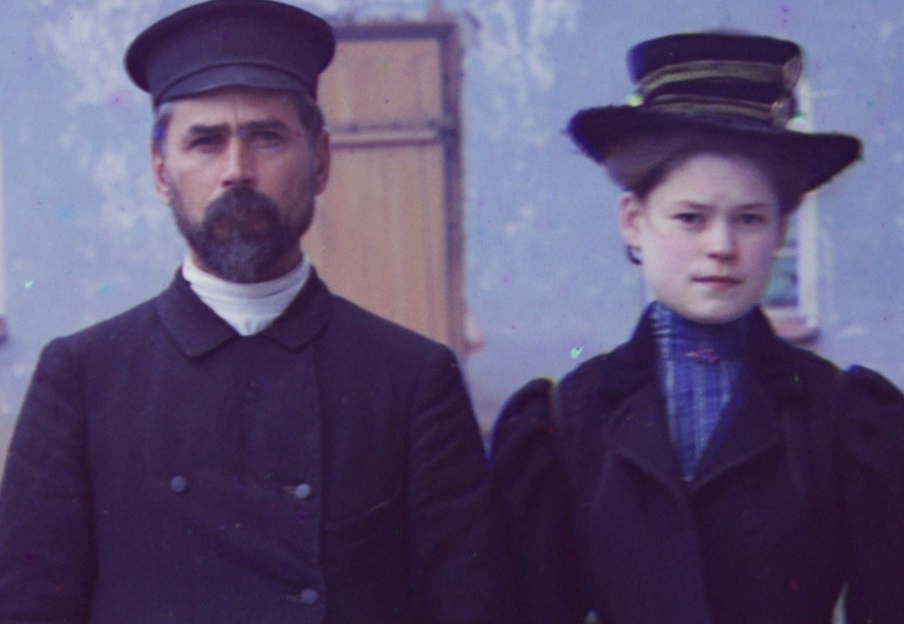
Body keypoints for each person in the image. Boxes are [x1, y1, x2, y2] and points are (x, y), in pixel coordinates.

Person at [0, 1, 514, 622]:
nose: (237, 171)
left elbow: (469, 606)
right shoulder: (83, 378)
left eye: (267, 138)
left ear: (320, 161)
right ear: (161, 174)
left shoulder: (412, 378)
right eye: (206, 142)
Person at [491, 31, 904, 624]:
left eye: (750, 219)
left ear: (782, 230)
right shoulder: (566, 421)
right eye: (690, 218)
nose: (721, 246)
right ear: (633, 222)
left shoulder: (844, 415)